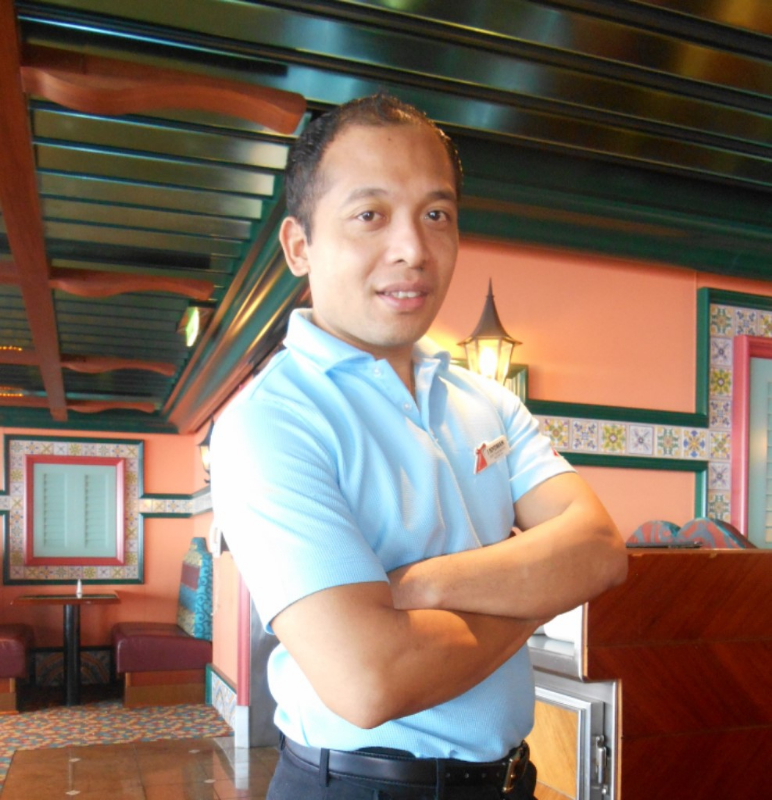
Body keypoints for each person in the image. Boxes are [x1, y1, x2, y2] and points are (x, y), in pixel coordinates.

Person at [211, 93, 628, 800]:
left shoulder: (486, 400)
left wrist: (417, 585)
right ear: (299, 246)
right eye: (370, 215)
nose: (412, 248)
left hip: (508, 781)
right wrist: (532, 591)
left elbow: (598, 551)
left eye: (436, 214)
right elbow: (370, 680)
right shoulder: (271, 420)